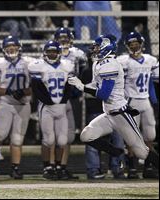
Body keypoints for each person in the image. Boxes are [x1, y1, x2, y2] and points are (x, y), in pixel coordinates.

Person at [67, 34, 159, 177]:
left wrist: (82, 87)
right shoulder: (99, 63)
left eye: (97, 47)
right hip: (109, 114)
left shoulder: (110, 64)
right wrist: (81, 84)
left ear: (106, 47)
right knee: (86, 135)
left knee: (141, 152)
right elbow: (95, 85)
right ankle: (116, 152)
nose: (95, 49)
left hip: (121, 114)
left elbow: (104, 94)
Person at [0, 35, 33, 179]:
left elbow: (35, 86)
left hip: (23, 104)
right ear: (3, 49)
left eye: (14, 47)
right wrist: (11, 91)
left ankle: (15, 168)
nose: (11, 49)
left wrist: (24, 91)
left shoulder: (29, 63)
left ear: (19, 48)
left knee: (17, 139)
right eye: (8, 47)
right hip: (5, 103)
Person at [28, 40, 74, 180]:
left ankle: (59, 167)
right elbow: (37, 88)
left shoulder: (67, 66)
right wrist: (47, 101)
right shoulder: (38, 66)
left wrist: (63, 100)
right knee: (48, 140)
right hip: (46, 107)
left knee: (62, 140)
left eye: (54, 51)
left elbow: (69, 86)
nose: (52, 54)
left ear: (59, 53)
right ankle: (48, 167)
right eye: (49, 51)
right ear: (45, 53)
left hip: (61, 107)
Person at [117, 31, 159, 179]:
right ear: (127, 45)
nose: (134, 46)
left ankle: (148, 166)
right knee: (132, 138)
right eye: (131, 44)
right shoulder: (123, 61)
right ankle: (132, 168)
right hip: (131, 102)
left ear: (141, 44)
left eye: (136, 44)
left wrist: (154, 101)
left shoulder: (150, 60)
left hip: (145, 101)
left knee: (150, 136)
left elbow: (151, 83)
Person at [52, 27, 88, 179]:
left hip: (72, 96)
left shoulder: (78, 54)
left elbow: (85, 72)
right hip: (55, 97)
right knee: (53, 135)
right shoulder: (51, 54)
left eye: (66, 38)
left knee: (69, 135)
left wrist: (79, 89)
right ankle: (52, 166)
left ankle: (62, 166)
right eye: (61, 38)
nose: (64, 41)